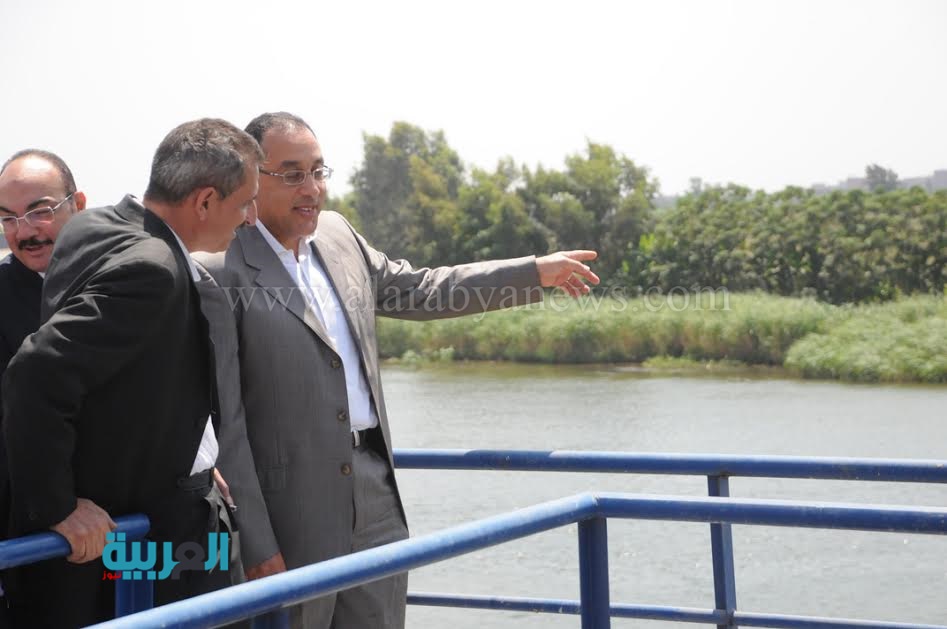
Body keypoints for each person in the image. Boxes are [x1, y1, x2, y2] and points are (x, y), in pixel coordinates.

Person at [199, 111, 599, 628]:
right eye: (293, 174)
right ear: (253, 179)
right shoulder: (222, 266)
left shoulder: (339, 235)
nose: (312, 188)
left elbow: (423, 290)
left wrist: (532, 272)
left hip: (375, 494)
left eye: (318, 171)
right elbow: (227, 422)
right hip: (288, 509)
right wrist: (255, 540)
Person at [1, 118, 262, 628]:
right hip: (158, 533)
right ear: (205, 201)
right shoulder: (153, 269)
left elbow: (124, 380)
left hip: (161, 505)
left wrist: (190, 445)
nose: (250, 218)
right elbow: (35, 372)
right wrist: (57, 507)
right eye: (244, 204)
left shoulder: (99, 225)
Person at [0, 149, 86, 625]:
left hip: (135, 529)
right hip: (41, 540)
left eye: (40, 211)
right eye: (8, 218)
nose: (24, 231)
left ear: (79, 204)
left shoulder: (120, 280)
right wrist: (59, 505)